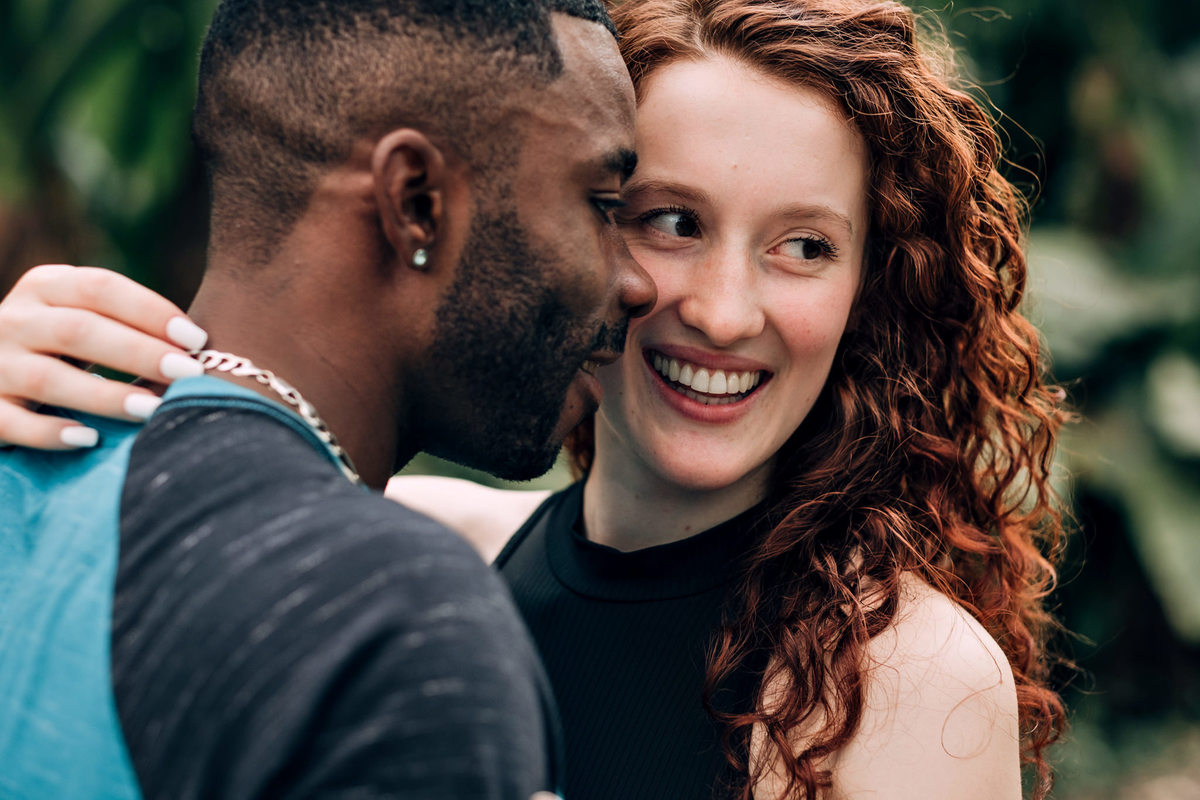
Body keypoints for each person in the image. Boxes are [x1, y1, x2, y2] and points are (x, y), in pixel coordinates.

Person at [0, 0, 1070, 798]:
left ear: (867, 291)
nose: (725, 308)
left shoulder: (903, 672)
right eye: (662, 218)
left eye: (804, 246)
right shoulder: (440, 551)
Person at [0, 0, 657, 797]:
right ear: (416, 201)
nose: (636, 280)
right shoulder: (392, 623)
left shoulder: (26, 473)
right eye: (602, 205)